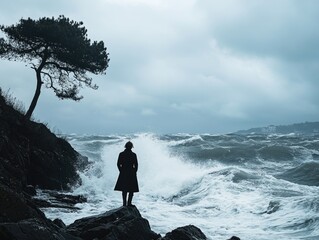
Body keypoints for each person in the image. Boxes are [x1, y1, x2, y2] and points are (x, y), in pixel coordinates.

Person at [114, 141, 139, 206]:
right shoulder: (133, 155)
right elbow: (136, 165)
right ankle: (129, 203)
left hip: (124, 172)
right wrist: (135, 172)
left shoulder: (121, 154)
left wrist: (121, 171)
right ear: (131, 147)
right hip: (131, 173)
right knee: (131, 189)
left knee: (124, 189)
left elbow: (118, 164)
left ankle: (124, 204)